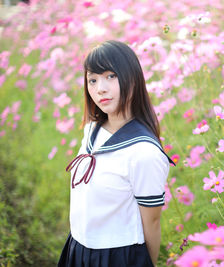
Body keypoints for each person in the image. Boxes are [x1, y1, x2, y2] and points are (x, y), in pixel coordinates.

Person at [58, 40, 175, 267]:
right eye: (93, 80)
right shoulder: (93, 130)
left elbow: (151, 223)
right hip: (78, 247)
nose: (100, 88)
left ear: (132, 78)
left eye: (110, 76)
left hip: (117, 257)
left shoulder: (144, 152)